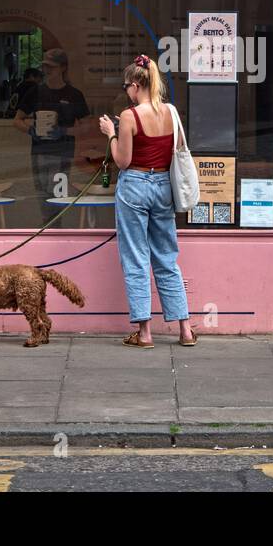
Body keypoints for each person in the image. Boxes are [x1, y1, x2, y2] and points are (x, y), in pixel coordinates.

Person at [98, 54, 197, 348]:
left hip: (135, 186)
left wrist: (111, 134)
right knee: (167, 257)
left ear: (138, 84)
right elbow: (177, 149)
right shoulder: (171, 112)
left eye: (128, 85)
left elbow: (123, 161)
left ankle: (144, 333)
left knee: (136, 258)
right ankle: (186, 329)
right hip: (163, 186)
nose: (126, 90)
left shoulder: (129, 116)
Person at [13, 49, 89, 224]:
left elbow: (87, 127)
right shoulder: (36, 92)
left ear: (63, 68)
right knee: (42, 194)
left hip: (63, 152)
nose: (47, 71)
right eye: (45, 67)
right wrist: (31, 130)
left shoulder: (74, 95)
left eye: (51, 67)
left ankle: (55, 227)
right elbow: (17, 120)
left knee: (58, 194)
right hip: (40, 152)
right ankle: (49, 227)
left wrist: (64, 131)